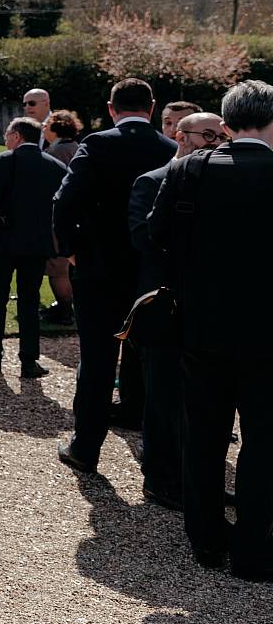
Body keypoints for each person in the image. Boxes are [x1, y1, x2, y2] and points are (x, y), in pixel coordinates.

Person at [150, 80, 273, 582]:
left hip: (200, 327)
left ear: (225, 124)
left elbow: (157, 236)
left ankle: (205, 539)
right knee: (264, 442)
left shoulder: (187, 169)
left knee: (204, 435)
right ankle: (252, 546)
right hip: (268, 334)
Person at [53, 77, 176, 475]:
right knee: (147, 359)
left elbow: (65, 199)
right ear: (152, 107)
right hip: (148, 270)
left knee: (98, 358)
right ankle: (153, 449)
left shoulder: (99, 143)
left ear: (111, 108)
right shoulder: (170, 149)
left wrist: (68, 249)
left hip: (98, 267)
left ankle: (86, 446)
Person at [129, 110, 225, 513]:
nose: (218, 143)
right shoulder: (151, 181)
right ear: (181, 137)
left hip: (206, 307)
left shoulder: (220, 182)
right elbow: (141, 240)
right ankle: (160, 479)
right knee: (163, 396)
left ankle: (196, 481)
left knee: (200, 400)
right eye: (209, 135)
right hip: (165, 305)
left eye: (221, 135)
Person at [0, 117, 67, 378]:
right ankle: (28, 360)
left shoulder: (3, 161)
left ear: (16, 136)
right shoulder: (56, 166)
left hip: (2, 240)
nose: (6, 139)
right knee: (29, 301)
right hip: (35, 242)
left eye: (8, 135)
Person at [40, 109, 84, 326]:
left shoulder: (55, 152)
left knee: (58, 269)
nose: (44, 129)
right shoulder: (78, 148)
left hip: (58, 214)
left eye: (46, 126)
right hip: (77, 214)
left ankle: (65, 312)